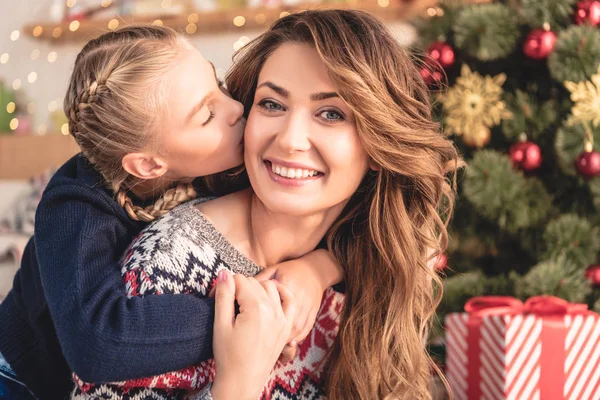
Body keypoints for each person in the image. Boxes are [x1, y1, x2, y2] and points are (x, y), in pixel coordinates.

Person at [76, 10, 463, 399]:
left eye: (331, 114)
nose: (290, 140)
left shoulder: (372, 263)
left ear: (380, 143)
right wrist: (237, 384)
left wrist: (321, 269)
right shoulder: (169, 267)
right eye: (273, 104)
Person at [0, 25, 342, 399]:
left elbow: (357, 225)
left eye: (218, 84)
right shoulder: (74, 207)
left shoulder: (224, 159)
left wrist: (318, 268)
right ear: (148, 165)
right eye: (207, 115)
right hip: (23, 377)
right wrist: (246, 320)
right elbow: (98, 342)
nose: (237, 107)